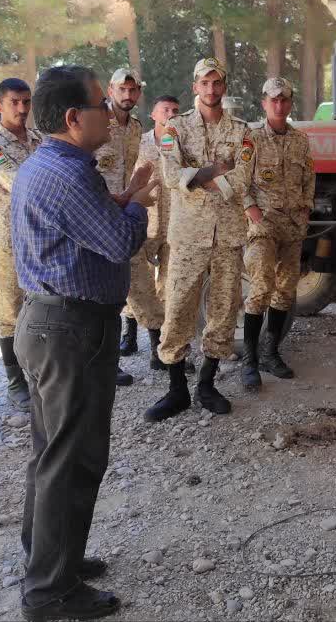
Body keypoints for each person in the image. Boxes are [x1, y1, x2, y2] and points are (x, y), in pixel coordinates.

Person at [9, 65, 157, 622]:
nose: (110, 116)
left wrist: (122, 196)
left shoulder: (51, 164)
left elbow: (85, 224)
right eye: (100, 105)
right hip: (71, 331)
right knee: (72, 459)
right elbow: (118, 243)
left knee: (52, 454)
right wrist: (138, 204)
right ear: (74, 118)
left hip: (51, 325)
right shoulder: (69, 175)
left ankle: (51, 557)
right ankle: (50, 590)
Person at [148, 58, 252, 421]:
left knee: (223, 311)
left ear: (224, 86)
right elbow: (170, 174)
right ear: (195, 86)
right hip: (188, 235)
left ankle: (207, 384)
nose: (210, 89)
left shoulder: (242, 131)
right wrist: (215, 171)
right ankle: (176, 389)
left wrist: (197, 178)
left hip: (228, 235)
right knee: (178, 308)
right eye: (204, 83)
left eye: (216, 82)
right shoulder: (174, 128)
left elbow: (244, 177)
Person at [241, 77, 315, 392]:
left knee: (285, 290)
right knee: (261, 287)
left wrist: (306, 208)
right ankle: (249, 361)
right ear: (264, 103)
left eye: (284, 100)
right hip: (264, 225)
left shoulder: (300, 140)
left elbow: (309, 177)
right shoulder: (252, 138)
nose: (279, 105)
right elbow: (240, 179)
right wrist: (250, 208)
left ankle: (270, 352)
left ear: (290, 103)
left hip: (293, 225)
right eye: (274, 100)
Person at [0, 78, 43, 411]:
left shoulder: (39, 139)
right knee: (8, 310)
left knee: (41, 303)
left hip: (40, 235)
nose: (22, 108)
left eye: (26, 101)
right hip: (8, 240)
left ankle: (39, 375)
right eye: (14, 102)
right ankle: (15, 382)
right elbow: (20, 182)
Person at [96, 68, 145, 387]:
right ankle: (105, 364)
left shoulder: (137, 127)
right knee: (101, 294)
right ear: (110, 90)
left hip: (127, 215)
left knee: (125, 289)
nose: (127, 95)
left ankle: (118, 352)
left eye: (132, 90)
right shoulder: (97, 121)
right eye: (121, 90)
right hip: (100, 216)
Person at [127, 95, 182, 373]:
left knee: (169, 285)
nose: (170, 114)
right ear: (153, 114)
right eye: (165, 109)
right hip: (146, 220)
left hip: (173, 223)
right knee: (139, 281)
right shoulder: (139, 142)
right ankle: (129, 334)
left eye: (175, 110)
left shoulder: (180, 143)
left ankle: (158, 347)